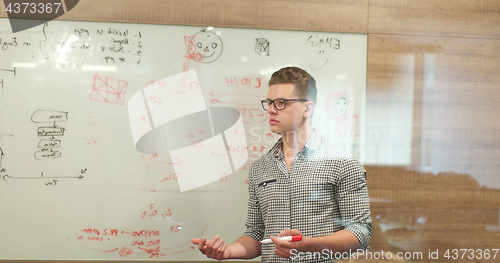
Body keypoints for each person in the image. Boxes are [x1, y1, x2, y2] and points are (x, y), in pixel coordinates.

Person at [192, 67, 371, 262]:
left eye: (281, 103)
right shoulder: (260, 168)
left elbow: (360, 231)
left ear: (307, 108)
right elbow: (257, 233)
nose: (271, 110)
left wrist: (309, 245)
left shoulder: (342, 162)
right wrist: (227, 252)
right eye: (269, 103)